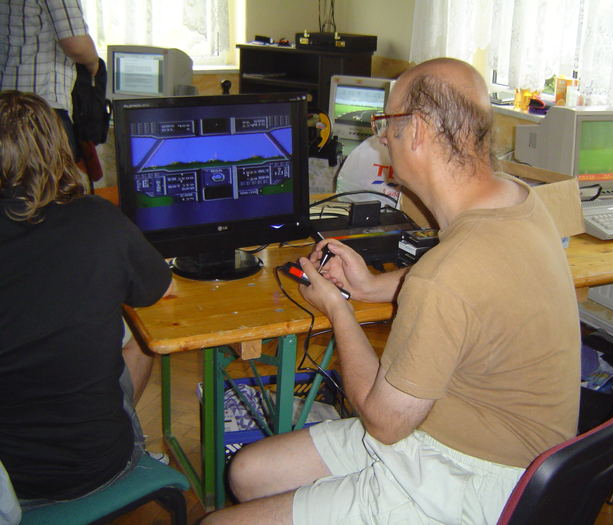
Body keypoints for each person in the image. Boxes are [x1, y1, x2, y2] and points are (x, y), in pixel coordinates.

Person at [202, 58, 581, 525]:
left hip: (471, 479)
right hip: (481, 438)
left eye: (386, 123)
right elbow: (470, 290)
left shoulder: (446, 275)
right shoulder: (516, 198)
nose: (382, 137)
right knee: (249, 472)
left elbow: (384, 422)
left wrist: (338, 310)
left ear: (416, 131)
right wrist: (369, 286)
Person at [0, 90, 172, 505]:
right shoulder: (98, 218)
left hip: (7, 484)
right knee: (141, 332)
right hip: (97, 465)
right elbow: (158, 289)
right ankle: (135, 442)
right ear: (59, 149)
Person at [0, 0, 100, 157]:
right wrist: (94, 64)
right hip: (41, 109)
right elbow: (76, 45)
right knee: (52, 171)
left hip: (7, 104)